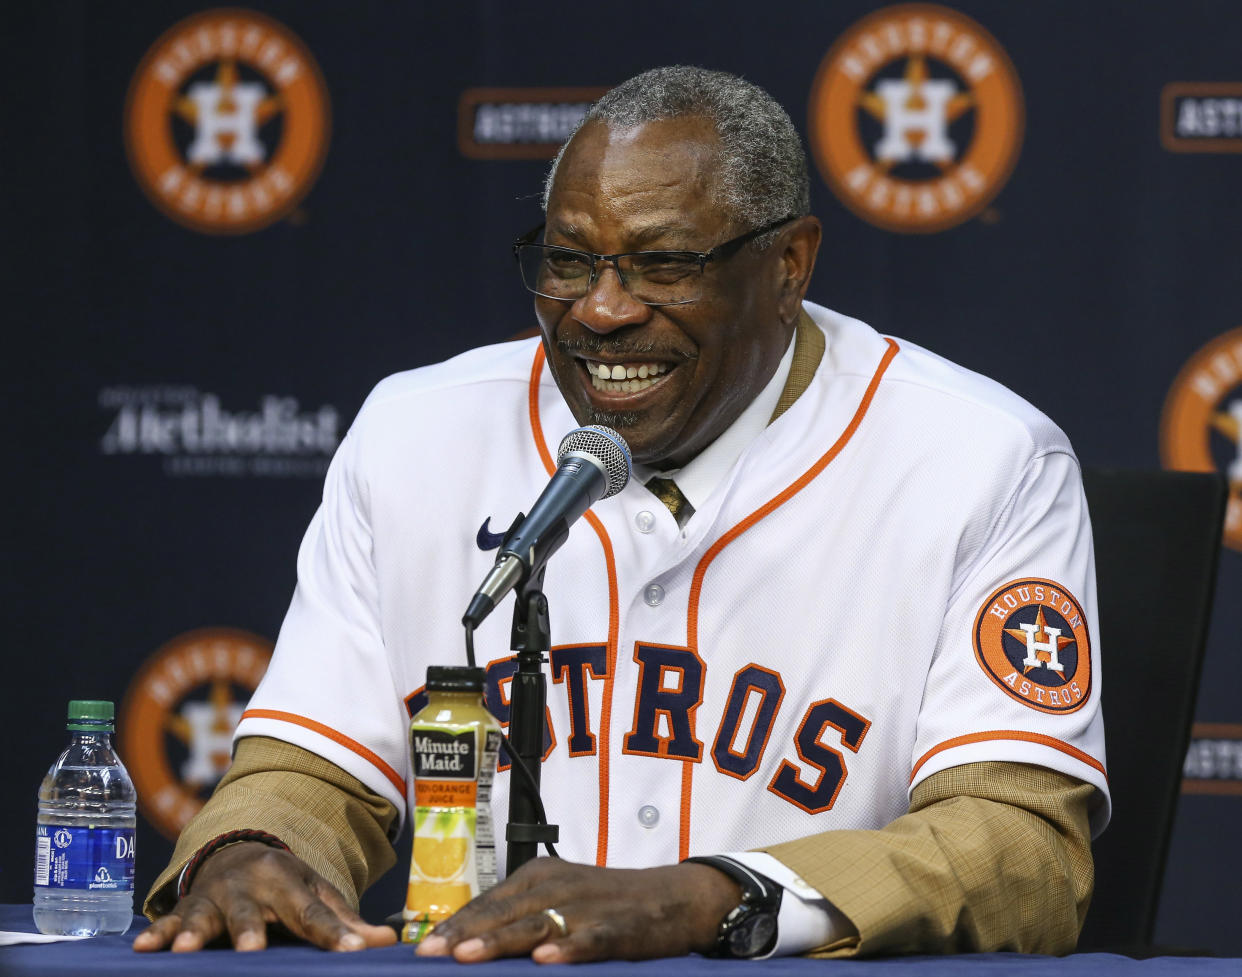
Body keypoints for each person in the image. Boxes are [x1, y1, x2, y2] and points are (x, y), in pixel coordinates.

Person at [134, 66, 1107, 962]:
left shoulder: (979, 457)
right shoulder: (417, 432)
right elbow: (311, 766)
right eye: (568, 260)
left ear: (789, 266)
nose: (601, 310)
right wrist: (249, 845)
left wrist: (712, 897)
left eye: (663, 263)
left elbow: (1019, 846)